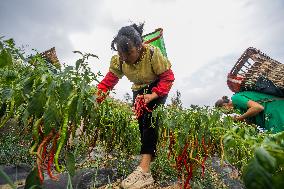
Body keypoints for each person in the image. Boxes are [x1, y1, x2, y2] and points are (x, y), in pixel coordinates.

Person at [96, 23, 175, 189]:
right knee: (141, 124)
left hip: (157, 86)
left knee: (150, 122)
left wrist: (153, 95)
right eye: (120, 53)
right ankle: (148, 159)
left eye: (129, 52)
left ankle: (145, 172)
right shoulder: (119, 61)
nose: (124, 57)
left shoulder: (153, 54)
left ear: (139, 47)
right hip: (138, 89)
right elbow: (109, 81)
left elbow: (168, 77)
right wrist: (95, 99)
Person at [215, 91, 284, 133]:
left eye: (224, 111)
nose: (226, 114)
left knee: (278, 141)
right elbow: (253, 123)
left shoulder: (236, 98)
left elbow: (258, 107)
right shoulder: (240, 109)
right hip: (271, 116)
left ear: (224, 106)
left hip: (275, 111)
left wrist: (239, 118)